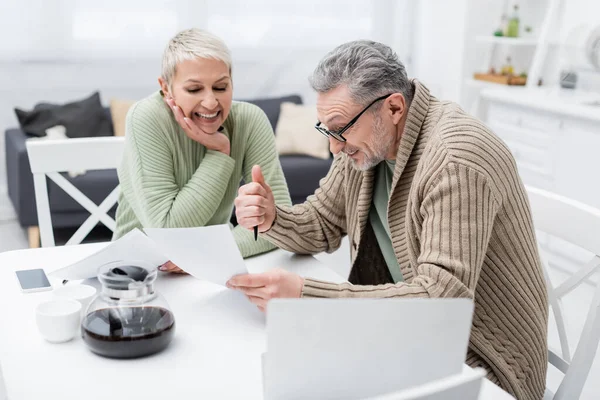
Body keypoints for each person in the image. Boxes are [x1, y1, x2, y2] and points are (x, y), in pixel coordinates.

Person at [229, 40, 548, 399]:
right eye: (326, 130)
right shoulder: (366, 147)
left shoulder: (456, 159)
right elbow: (320, 222)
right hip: (413, 333)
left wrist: (307, 297)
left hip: (483, 363)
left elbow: (442, 298)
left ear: (394, 107)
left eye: (340, 129)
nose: (334, 147)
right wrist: (273, 217)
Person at [114, 28, 291, 271]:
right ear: (166, 88)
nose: (210, 102)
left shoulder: (250, 120)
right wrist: (218, 152)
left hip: (214, 270)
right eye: (194, 89)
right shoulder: (147, 117)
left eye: (220, 87)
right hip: (139, 274)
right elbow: (167, 232)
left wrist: (208, 253)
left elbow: (279, 221)